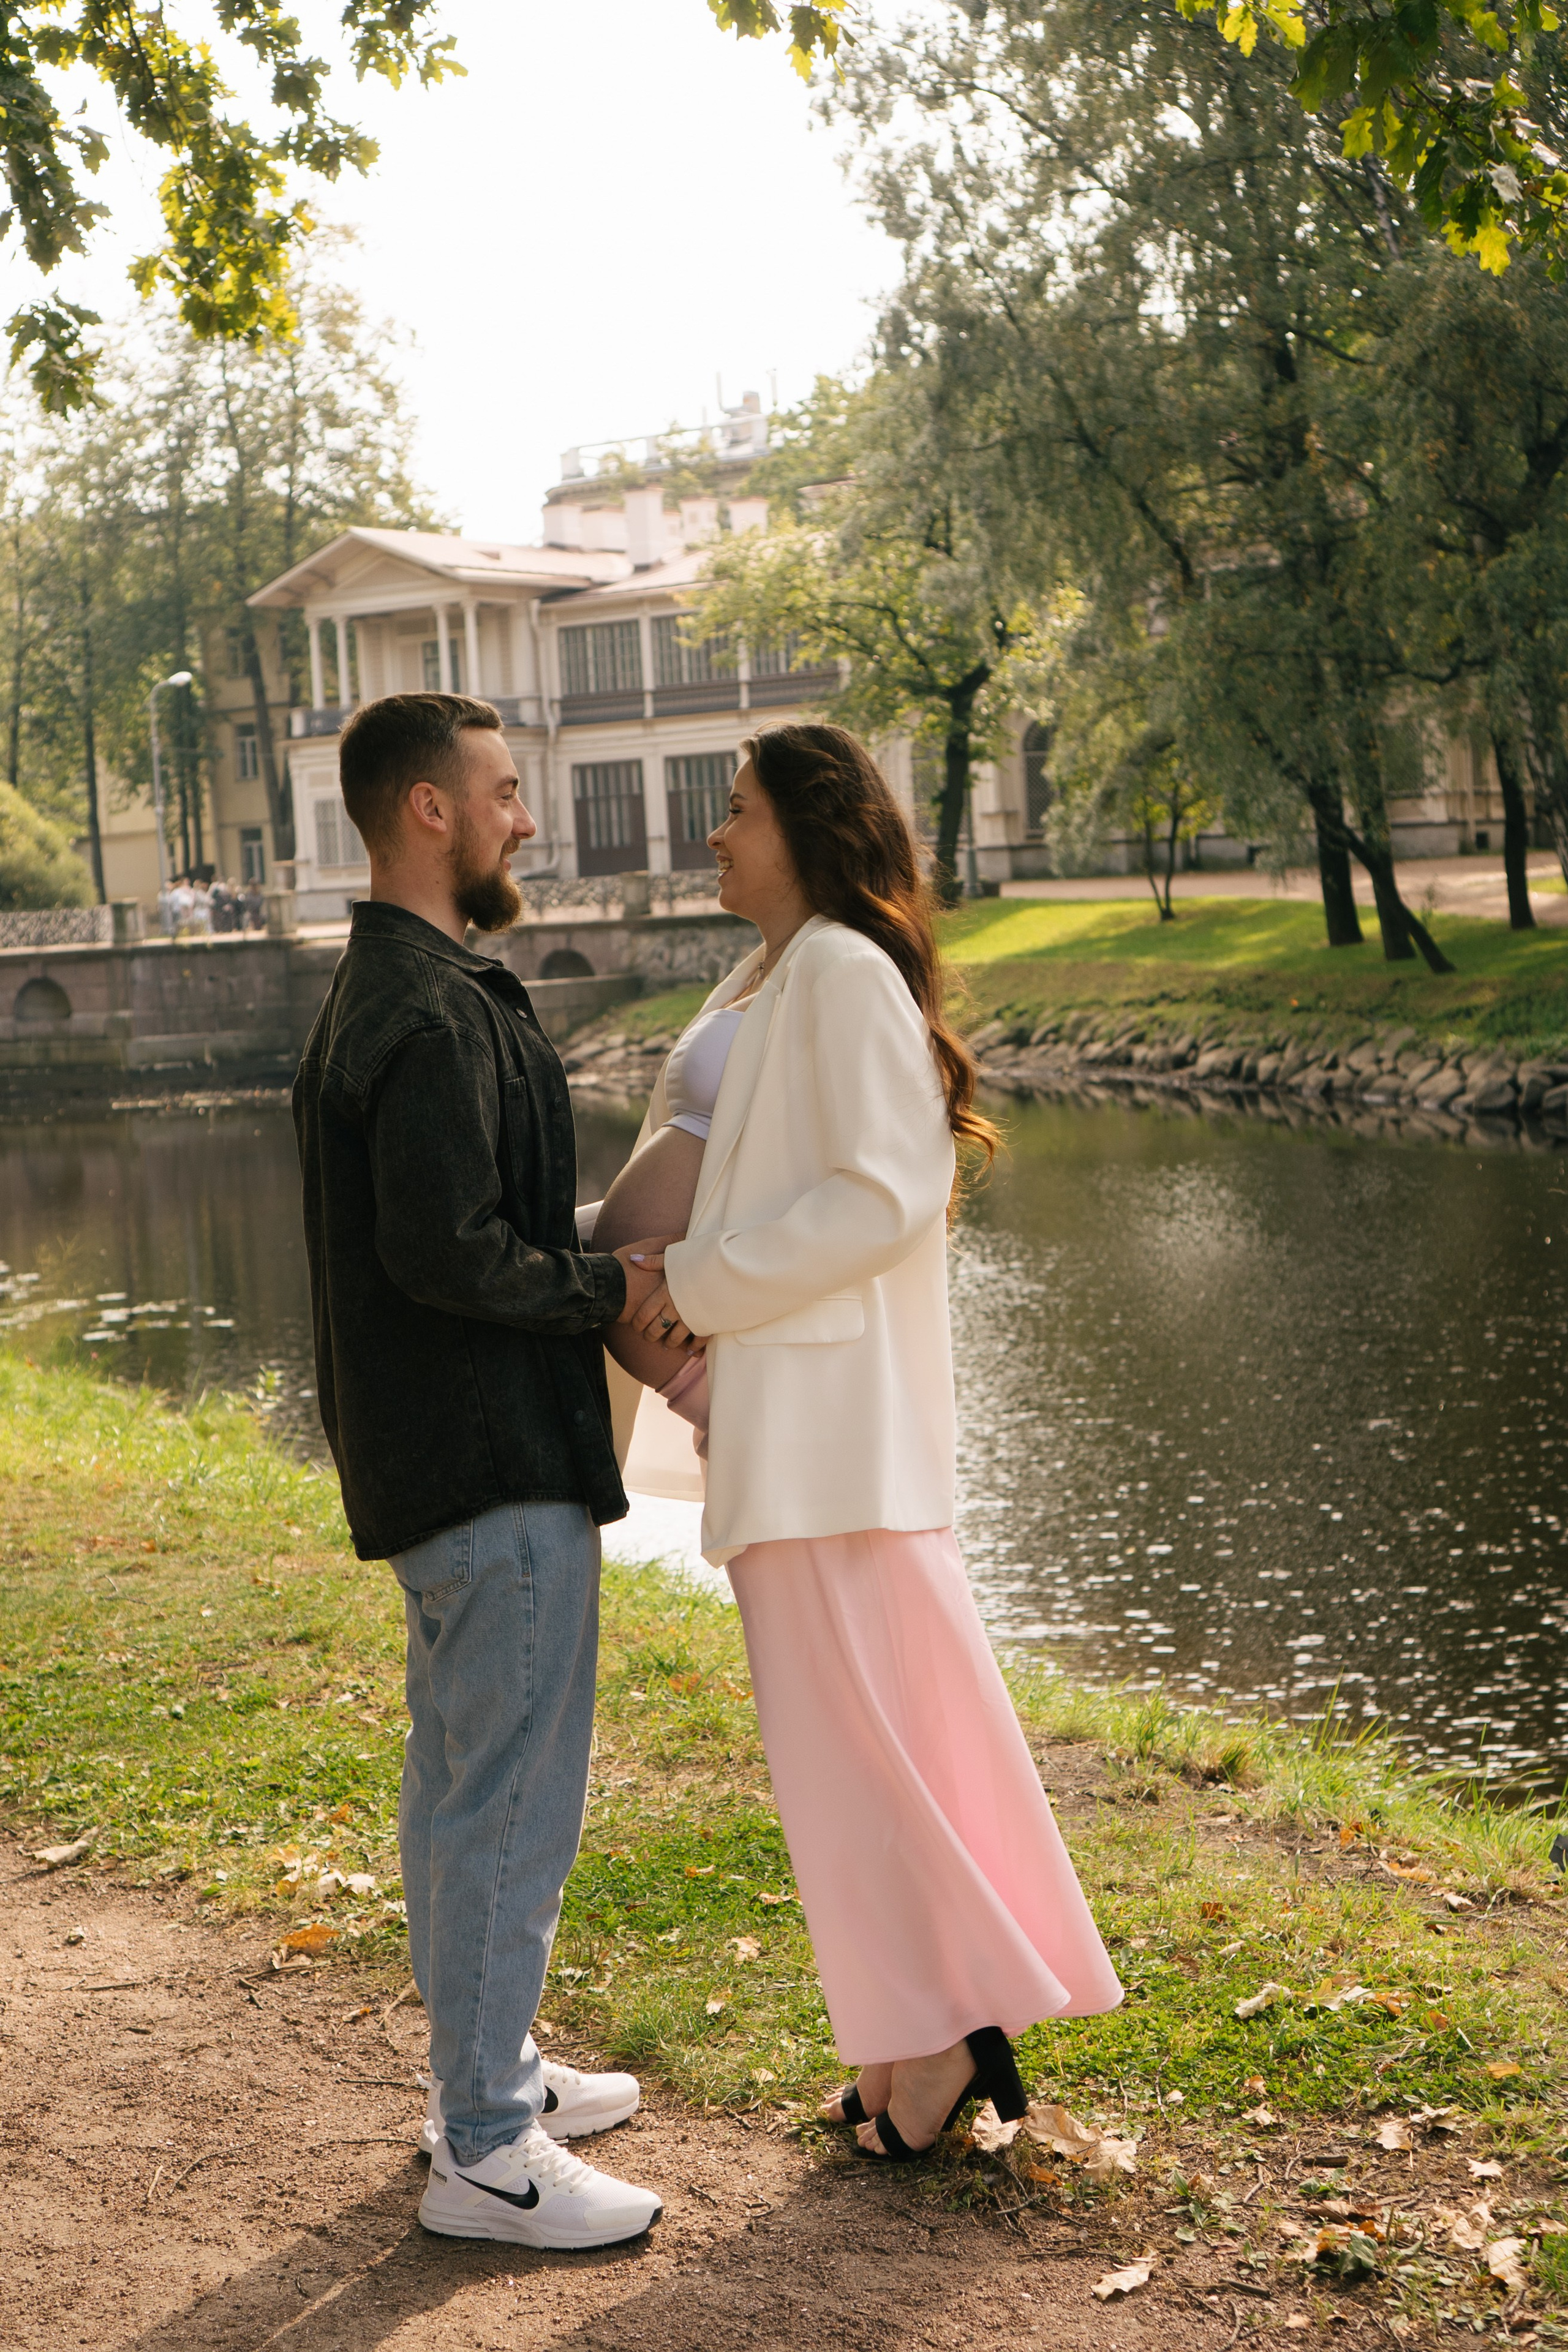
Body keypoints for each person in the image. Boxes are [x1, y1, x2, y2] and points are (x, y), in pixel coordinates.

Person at [592, 723, 1123, 2162]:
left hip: (836, 1435)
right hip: (789, 1423)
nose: (714, 835)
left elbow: (885, 1192)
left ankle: (947, 2036)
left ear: (810, 829)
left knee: (873, 1749)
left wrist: (695, 1285)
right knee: (847, 1753)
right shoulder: (769, 969)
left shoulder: (836, 967)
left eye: (737, 812)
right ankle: (904, 2037)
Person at [292, 690, 672, 2250]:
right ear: (431, 812)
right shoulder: (426, 1010)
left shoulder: (406, 986)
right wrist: (610, 1289)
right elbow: (446, 1254)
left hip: (449, 1460)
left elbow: (461, 1234)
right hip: (487, 1462)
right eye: (506, 792)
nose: (526, 817)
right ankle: (489, 2155)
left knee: (460, 1793)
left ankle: (483, 2078)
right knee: (507, 1801)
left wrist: (588, 1253)